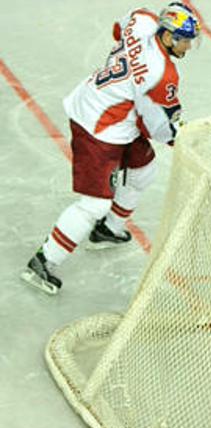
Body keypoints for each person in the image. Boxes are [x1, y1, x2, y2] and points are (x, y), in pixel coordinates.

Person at [21, 3, 201, 295]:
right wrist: (181, 138)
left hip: (107, 107)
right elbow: (158, 126)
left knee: (143, 170)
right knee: (94, 204)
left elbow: (120, 27)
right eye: (184, 39)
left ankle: (109, 229)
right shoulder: (161, 74)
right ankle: (44, 261)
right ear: (167, 37)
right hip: (100, 127)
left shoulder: (143, 20)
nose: (189, 46)